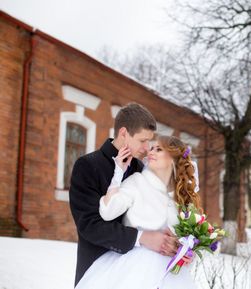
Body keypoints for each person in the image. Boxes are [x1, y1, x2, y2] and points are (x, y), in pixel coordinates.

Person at [69, 103, 178, 286]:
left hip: (140, 275)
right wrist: (142, 238)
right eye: (142, 140)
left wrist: (170, 241)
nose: (146, 148)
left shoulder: (142, 168)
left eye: (149, 141)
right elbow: (89, 225)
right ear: (124, 133)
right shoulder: (87, 166)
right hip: (99, 273)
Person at [75, 135, 201, 289]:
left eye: (158, 149)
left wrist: (187, 252)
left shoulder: (181, 197)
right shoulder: (137, 181)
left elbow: (187, 237)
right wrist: (118, 174)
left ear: (172, 159)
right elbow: (107, 212)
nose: (150, 152)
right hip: (134, 270)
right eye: (152, 148)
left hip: (171, 276)